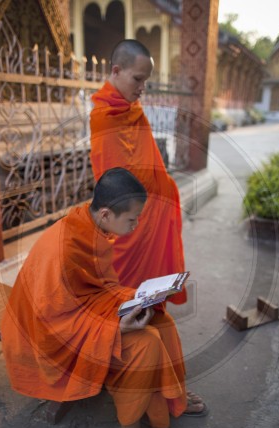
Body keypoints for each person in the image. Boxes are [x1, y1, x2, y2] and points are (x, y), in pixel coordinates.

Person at [1, 168, 207, 428]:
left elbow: (101, 287)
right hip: (43, 337)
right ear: (108, 213)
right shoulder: (62, 248)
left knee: (160, 321)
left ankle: (166, 394)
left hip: (79, 312)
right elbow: (52, 325)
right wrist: (115, 329)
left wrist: (137, 298)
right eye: (132, 220)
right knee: (145, 343)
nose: (136, 225)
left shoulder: (90, 225)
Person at [90, 39, 186, 304]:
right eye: (138, 79)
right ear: (117, 71)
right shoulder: (103, 116)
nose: (142, 88)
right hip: (128, 212)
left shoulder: (133, 108)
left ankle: (144, 306)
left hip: (151, 207)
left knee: (148, 287)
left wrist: (163, 187)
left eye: (146, 82)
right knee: (120, 277)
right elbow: (112, 177)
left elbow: (149, 157)